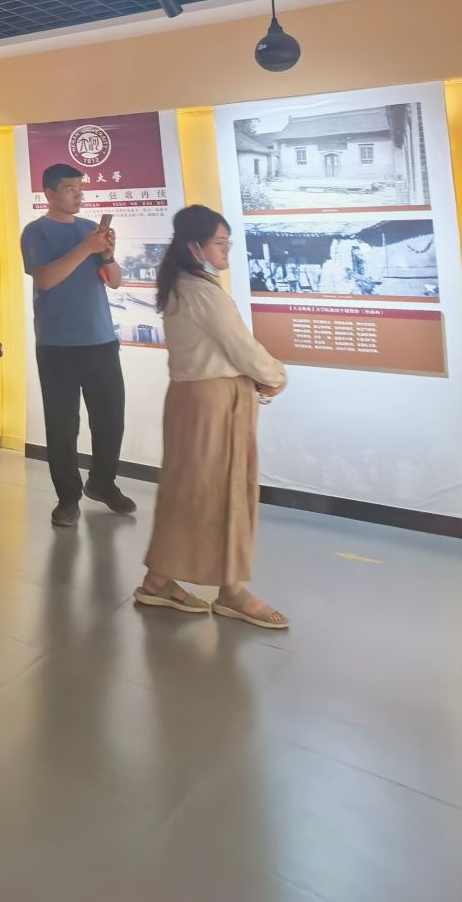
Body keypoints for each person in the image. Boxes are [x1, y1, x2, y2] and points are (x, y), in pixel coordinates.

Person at [135, 205, 289, 627]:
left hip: (196, 400)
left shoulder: (184, 285)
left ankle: (160, 579)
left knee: (193, 491)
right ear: (194, 247)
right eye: (219, 243)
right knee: (220, 493)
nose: (226, 251)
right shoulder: (201, 291)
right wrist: (276, 376)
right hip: (214, 402)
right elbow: (241, 346)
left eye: (227, 243)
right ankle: (230, 590)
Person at [20, 163, 134, 523]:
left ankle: (102, 482)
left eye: (80, 188)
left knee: (110, 418)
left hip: (100, 339)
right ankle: (67, 497)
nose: (78, 195)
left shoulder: (90, 230)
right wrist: (86, 248)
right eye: (70, 189)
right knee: (62, 425)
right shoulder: (36, 231)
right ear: (49, 193)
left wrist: (107, 255)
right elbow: (46, 278)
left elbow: (114, 281)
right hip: (57, 345)